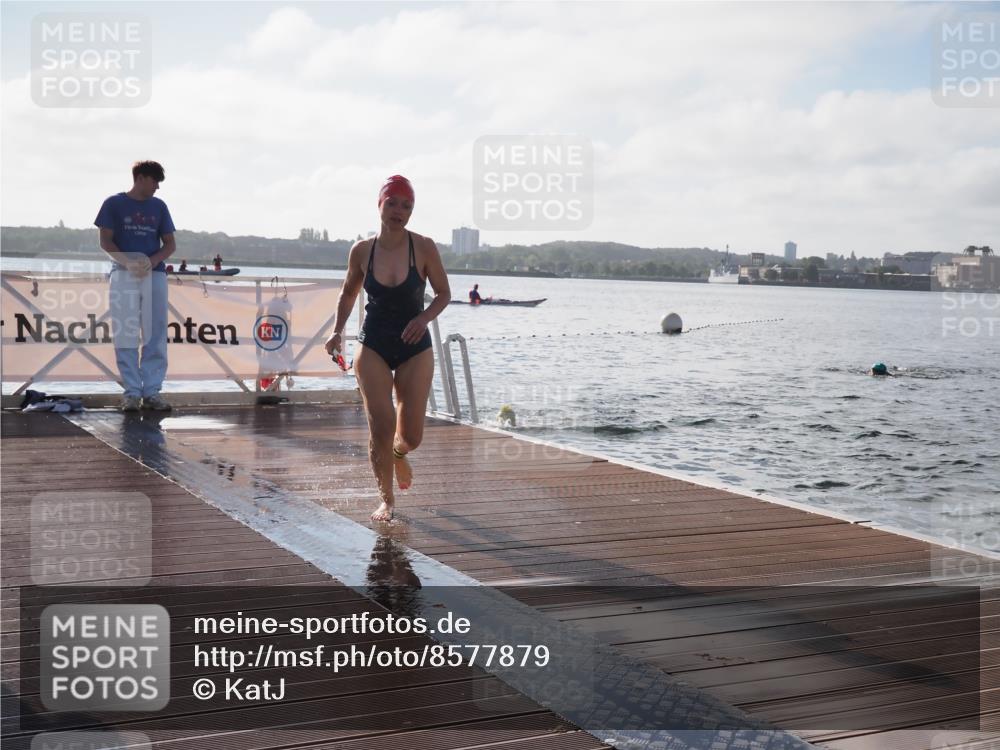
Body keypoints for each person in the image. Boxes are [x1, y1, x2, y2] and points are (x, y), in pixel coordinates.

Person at [325, 175, 451, 522]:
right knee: (380, 424)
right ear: (379, 204)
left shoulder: (423, 247)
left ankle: (399, 453)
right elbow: (348, 293)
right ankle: (387, 500)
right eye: (392, 202)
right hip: (374, 343)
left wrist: (424, 318)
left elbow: (444, 293)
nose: (399, 211)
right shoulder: (362, 250)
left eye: (406, 205)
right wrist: (338, 332)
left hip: (415, 345)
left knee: (410, 436)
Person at [95, 160, 176, 412]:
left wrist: (150, 262)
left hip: (154, 275)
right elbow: (105, 241)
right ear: (140, 178)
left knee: (156, 332)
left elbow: (170, 244)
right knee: (126, 332)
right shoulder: (113, 203)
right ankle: (131, 392)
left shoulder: (159, 206)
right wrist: (128, 262)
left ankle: (152, 391)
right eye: (154, 181)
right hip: (123, 273)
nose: (157, 188)